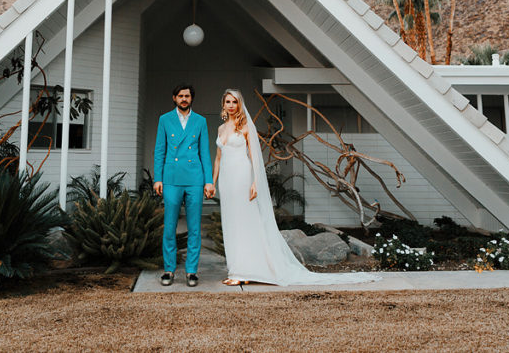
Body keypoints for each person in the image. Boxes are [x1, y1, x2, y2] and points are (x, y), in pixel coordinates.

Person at [212, 88, 380, 286]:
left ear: (239, 104)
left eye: (234, 102)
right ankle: (235, 268)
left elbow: (256, 159)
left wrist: (255, 182)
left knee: (245, 223)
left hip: (242, 177)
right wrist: (212, 182)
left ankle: (246, 270)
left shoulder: (246, 127)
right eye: (228, 102)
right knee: (231, 222)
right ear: (223, 105)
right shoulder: (221, 129)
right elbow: (218, 158)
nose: (231, 106)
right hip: (226, 180)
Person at [153, 84, 214, 288]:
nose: (184, 99)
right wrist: (158, 178)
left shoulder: (200, 121)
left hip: (195, 178)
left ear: (191, 98)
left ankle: (191, 271)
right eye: (180, 96)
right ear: (174, 98)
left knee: (194, 227)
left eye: (187, 96)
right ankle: (169, 270)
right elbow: (159, 150)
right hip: (171, 178)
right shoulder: (164, 119)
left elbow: (205, 152)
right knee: (169, 226)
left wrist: (209, 181)